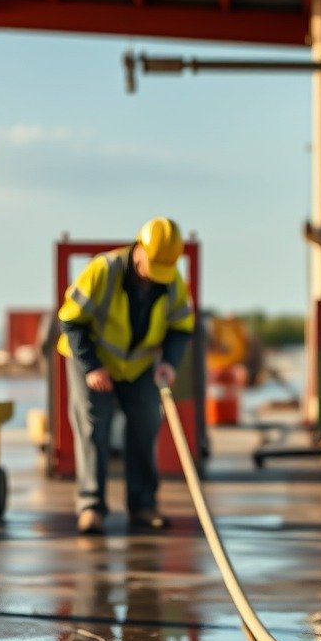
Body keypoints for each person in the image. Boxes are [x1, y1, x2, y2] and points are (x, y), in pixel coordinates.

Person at [57, 217, 195, 535]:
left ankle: (143, 505)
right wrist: (92, 366)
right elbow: (70, 321)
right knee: (94, 427)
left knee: (146, 424)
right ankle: (91, 506)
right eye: (152, 266)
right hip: (93, 359)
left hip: (139, 365)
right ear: (138, 250)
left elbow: (181, 327)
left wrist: (169, 363)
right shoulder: (103, 271)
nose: (156, 275)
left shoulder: (172, 281)